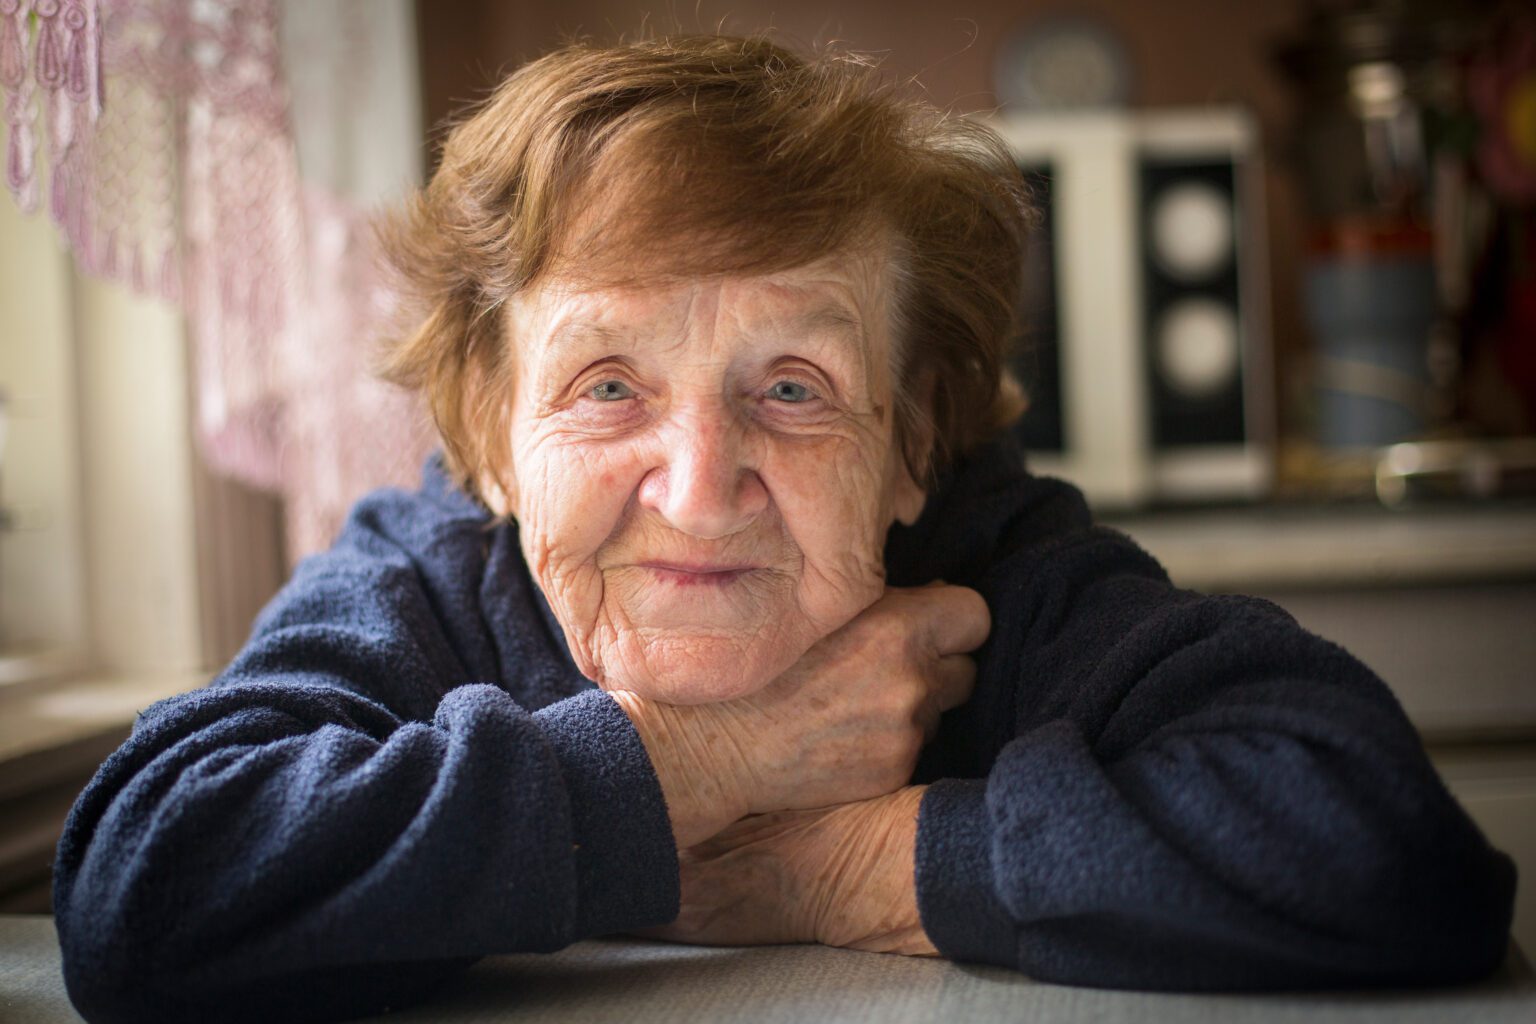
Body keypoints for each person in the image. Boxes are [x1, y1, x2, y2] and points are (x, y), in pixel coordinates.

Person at [53, 33, 1514, 1024]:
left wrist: (832, 867)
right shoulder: (423, 578)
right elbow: (144, 886)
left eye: (797, 389)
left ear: (914, 440)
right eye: (609, 383)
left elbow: (1392, 852)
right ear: (487, 437)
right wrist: (708, 762)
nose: (701, 486)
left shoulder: (1001, 571)